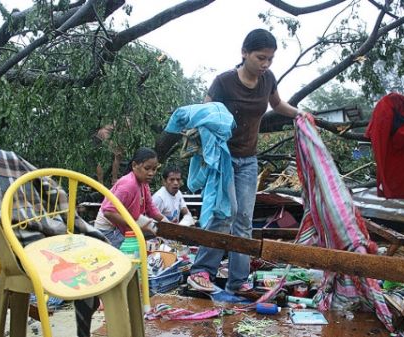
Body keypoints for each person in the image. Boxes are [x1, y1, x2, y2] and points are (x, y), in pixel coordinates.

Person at [187, 28, 303, 294]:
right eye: (260, 58)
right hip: (224, 160)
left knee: (243, 220)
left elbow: (278, 104)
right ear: (244, 53)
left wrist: (301, 115)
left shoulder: (268, 79)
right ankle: (201, 272)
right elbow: (203, 115)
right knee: (224, 214)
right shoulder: (224, 82)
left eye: (270, 59)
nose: (265, 64)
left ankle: (238, 282)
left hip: (248, 160)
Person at [75, 147, 164, 337]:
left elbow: (151, 209)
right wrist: (137, 224)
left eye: (155, 169)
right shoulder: (128, 185)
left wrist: (169, 225)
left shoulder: (143, 185)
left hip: (121, 229)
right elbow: (108, 210)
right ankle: (103, 298)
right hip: (106, 231)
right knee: (117, 268)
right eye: (147, 168)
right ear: (134, 165)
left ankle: (102, 297)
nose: (151, 173)